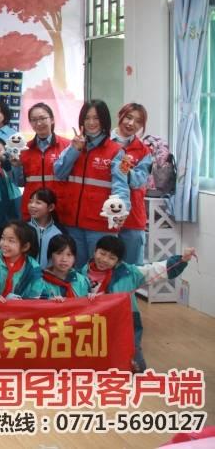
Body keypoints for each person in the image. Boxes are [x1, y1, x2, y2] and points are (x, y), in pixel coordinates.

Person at [84, 235, 194, 371]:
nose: (105, 260)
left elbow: (155, 269)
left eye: (112, 258)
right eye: (102, 253)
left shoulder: (129, 273)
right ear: (95, 250)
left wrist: (182, 259)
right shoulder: (79, 275)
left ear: (118, 261)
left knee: (136, 363)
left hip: (125, 322)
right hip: (94, 325)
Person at [53, 100, 129, 268]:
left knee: (99, 271)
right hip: (72, 224)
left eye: (96, 118)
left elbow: (121, 185)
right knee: (74, 272)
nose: (91, 122)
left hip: (100, 225)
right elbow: (59, 172)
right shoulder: (74, 146)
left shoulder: (116, 151)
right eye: (87, 118)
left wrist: (123, 209)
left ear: (104, 121)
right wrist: (75, 150)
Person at [111, 102, 153, 265]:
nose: (131, 123)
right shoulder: (103, 143)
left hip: (133, 219)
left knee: (131, 270)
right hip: (104, 216)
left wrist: (125, 170)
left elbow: (139, 180)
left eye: (138, 121)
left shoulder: (143, 150)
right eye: (128, 117)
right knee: (101, 269)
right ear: (120, 116)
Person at [18, 103, 69, 220]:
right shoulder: (24, 149)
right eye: (34, 120)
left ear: (52, 119)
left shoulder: (67, 146)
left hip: (59, 209)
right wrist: (15, 166)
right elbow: (19, 182)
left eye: (42, 118)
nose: (39, 123)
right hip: (32, 210)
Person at [0, 221, 43, 301]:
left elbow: (37, 296)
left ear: (25, 247)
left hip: (20, 308)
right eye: (3, 238)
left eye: (11, 241)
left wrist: (20, 302)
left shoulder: (33, 269)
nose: (4, 244)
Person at [40, 233, 91, 300]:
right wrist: (49, 302)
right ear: (50, 256)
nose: (64, 259)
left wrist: (91, 297)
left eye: (69, 255)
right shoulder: (40, 282)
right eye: (59, 253)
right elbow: (34, 303)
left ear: (74, 258)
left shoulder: (82, 281)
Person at [27, 188, 63, 269]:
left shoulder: (59, 232)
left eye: (38, 203)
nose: (32, 205)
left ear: (51, 207)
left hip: (50, 274)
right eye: (30, 202)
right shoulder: (23, 228)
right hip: (27, 274)